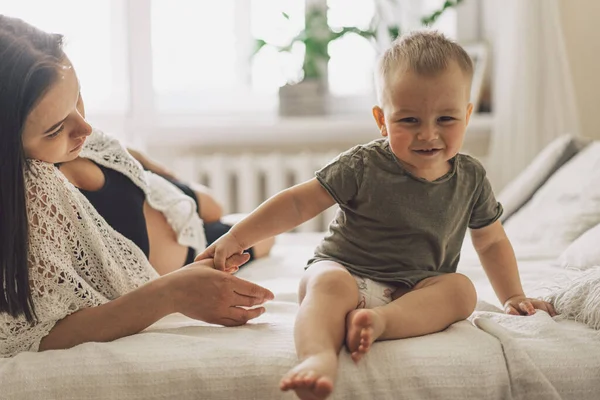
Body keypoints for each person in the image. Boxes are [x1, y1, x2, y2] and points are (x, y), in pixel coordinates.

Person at [196, 30, 558, 400]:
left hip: (415, 288)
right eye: (409, 120)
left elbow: (492, 240)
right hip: (345, 271)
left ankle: (379, 322)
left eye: (446, 119)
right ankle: (317, 357)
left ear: (467, 115)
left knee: (460, 291)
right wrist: (238, 237)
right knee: (326, 284)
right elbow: (297, 203)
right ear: (382, 120)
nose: (428, 134)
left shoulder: (471, 177)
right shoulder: (364, 164)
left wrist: (513, 294)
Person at [0, 15, 275, 358]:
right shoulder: (28, 202)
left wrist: (138, 162)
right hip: (191, 253)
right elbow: (36, 333)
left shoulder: (81, 139)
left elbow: (90, 136)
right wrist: (170, 293)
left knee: (212, 204)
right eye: (56, 128)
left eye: (78, 98)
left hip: (155, 196)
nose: (84, 127)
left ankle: (164, 179)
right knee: (261, 234)